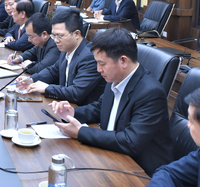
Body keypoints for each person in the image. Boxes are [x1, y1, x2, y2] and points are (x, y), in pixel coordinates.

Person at [49, 28, 173, 176]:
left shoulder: (150, 93)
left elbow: (130, 141)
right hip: (112, 156)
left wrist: (81, 132)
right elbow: (100, 107)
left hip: (141, 172)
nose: (98, 69)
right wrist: (72, 112)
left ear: (123, 61)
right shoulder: (115, 77)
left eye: (102, 64)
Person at [17, 8, 105, 105]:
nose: (56, 40)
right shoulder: (66, 49)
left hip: (82, 113)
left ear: (76, 34)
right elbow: (53, 71)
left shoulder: (89, 57)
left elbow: (76, 93)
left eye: (60, 36)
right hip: (64, 106)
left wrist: (47, 88)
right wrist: (32, 80)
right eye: (54, 36)